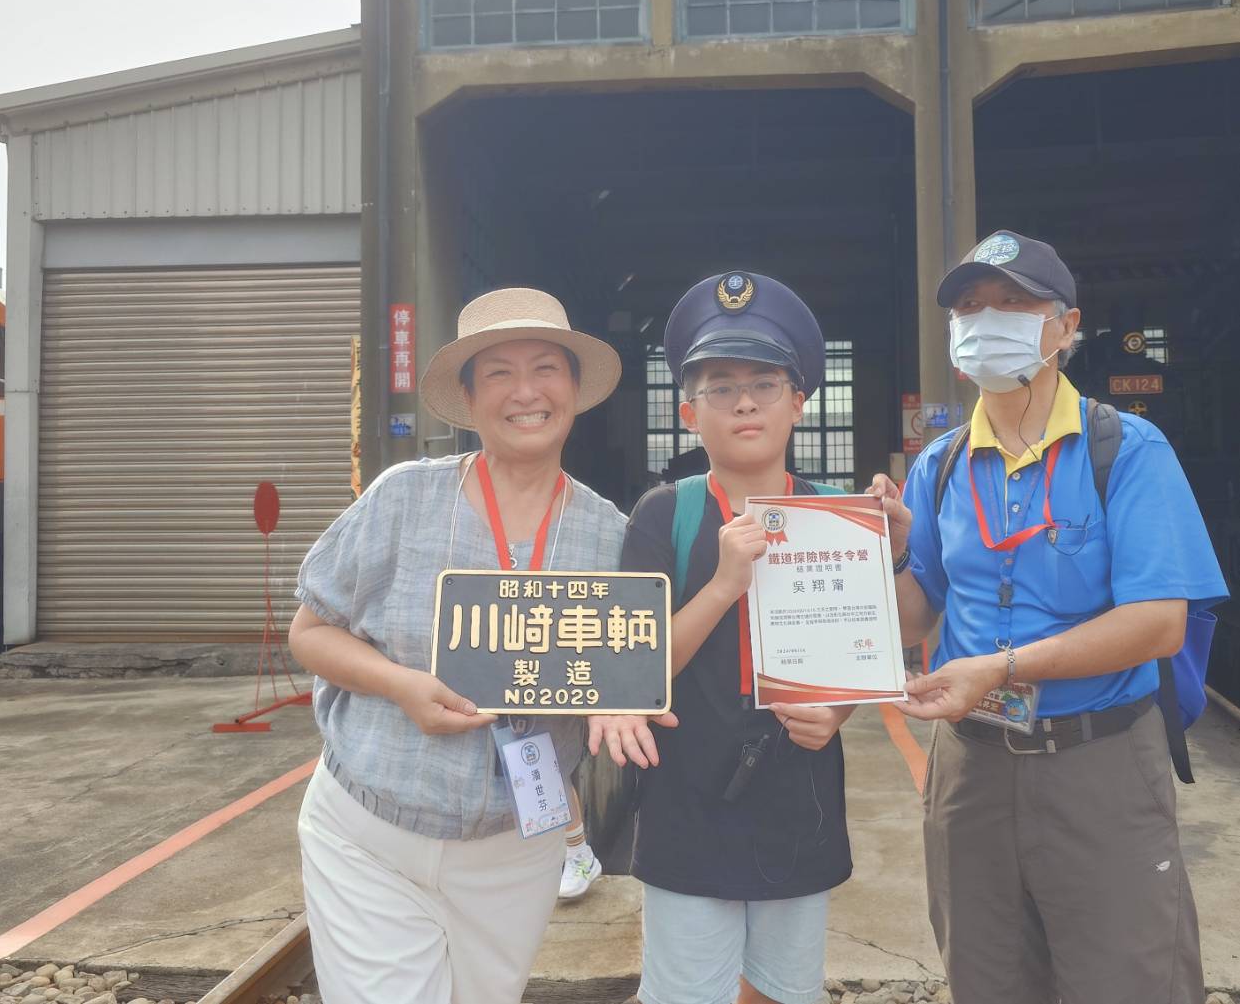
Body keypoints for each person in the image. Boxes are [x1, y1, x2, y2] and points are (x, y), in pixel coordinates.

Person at [868, 230, 1228, 1004]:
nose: (985, 318)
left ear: (1065, 327)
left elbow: (1156, 622)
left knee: (1127, 980)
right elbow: (914, 616)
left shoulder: (1124, 449)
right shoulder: (939, 465)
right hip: (972, 769)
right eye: (969, 305)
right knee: (987, 979)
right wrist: (890, 555)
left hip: (1098, 761)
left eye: (1012, 302)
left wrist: (1002, 668)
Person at [290, 287, 628, 1004]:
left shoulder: (611, 536)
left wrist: (620, 703)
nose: (525, 391)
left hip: (518, 845)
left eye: (545, 368)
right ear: (470, 398)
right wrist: (397, 683)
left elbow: (623, 677)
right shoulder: (402, 497)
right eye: (498, 372)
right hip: (370, 829)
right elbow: (310, 629)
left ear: (572, 390)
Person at [592, 272, 857, 1004]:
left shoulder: (837, 516)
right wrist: (721, 584)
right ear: (686, 412)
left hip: (796, 798)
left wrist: (839, 712)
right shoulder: (661, 515)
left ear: (799, 402)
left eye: (764, 382)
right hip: (687, 801)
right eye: (719, 386)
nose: (743, 400)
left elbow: (861, 654)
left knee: (783, 990)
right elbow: (630, 672)